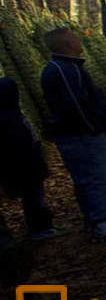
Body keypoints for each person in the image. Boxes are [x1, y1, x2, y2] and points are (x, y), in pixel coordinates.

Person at [41, 28, 106, 242]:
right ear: (67, 45)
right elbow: (77, 105)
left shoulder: (65, 67)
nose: (79, 41)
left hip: (79, 134)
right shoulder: (64, 70)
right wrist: (94, 126)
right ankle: (103, 222)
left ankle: (99, 219)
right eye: (74, 39)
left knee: (90, 178)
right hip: (80, 135)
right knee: (95, 177)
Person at [0, 78, 62, 240]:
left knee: (33, 199)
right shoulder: (9, 119)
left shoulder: (13, 114)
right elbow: (22, 145)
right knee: (34, 200)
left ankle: (40, 227)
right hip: (26, 167)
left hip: (26, 165)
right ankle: (40, 229)